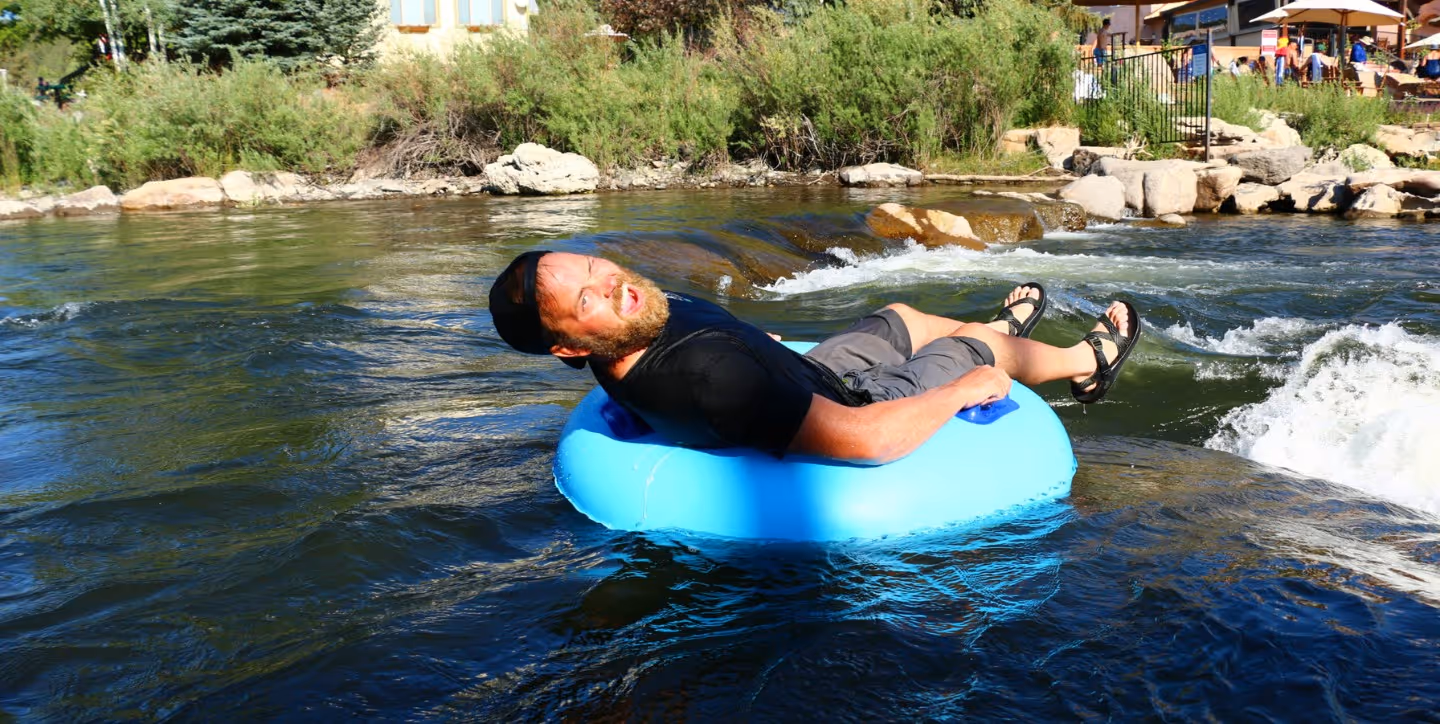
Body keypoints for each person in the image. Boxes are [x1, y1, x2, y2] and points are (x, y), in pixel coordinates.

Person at [489, 251, 1143, 464]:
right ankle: (1086, 363)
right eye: (587, 297)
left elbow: (717, 343)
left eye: (596, 266)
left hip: (802, 371)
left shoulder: (627, 328)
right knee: (976, 350)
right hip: (855, 403)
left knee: (902, 317)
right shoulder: (712, 380)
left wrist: (761, 343)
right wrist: (961, 389)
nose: (611, 282)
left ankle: (994, 328)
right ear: (571, 346)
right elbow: (864, 441)